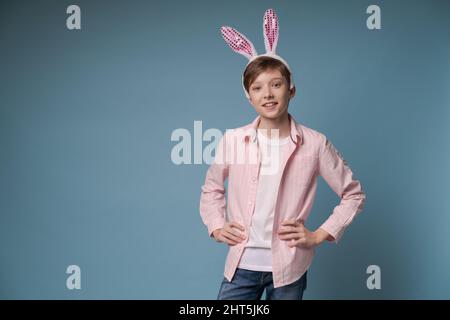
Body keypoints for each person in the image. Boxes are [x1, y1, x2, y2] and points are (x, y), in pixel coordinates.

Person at [199, 8, 366, 300]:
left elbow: (353, 195)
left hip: (289, 268)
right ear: (248, 97)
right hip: (241, 265)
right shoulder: (233, 140)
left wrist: (318, 235)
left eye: (276, 85)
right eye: (258, 88)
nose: (268, 94)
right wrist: (215, 225)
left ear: (292, 90)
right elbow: (211, 189)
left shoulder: (314, 143)